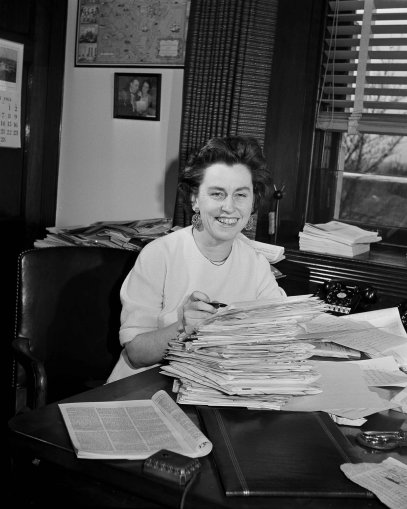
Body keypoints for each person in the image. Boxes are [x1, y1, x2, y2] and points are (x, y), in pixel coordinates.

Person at [107, 135, 287, 382]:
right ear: (194, 199)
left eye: (240, 195)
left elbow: (280, 327)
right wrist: (184, 326)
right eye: (217, 193)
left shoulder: (255, 263)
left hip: (217, 388)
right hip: (147, 386)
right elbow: (136, 353)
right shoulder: (159, 255)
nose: (229, 207)